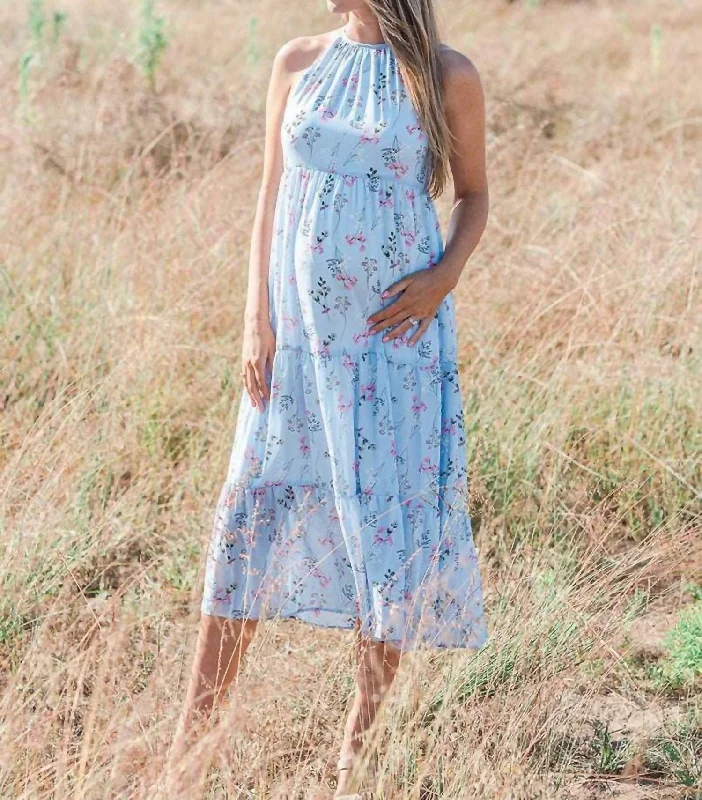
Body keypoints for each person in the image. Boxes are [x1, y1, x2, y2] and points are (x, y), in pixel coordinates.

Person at [172, 1, 489, 795]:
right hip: (295, 348)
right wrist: (255, 319)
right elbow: (270, 198)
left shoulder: (447, 74)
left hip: (393, 350)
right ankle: (192, 745)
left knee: (384, 525)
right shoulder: (297, 62)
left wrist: (444, 277)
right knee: (248, 514)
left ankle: (358, 747)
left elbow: (475, 195)